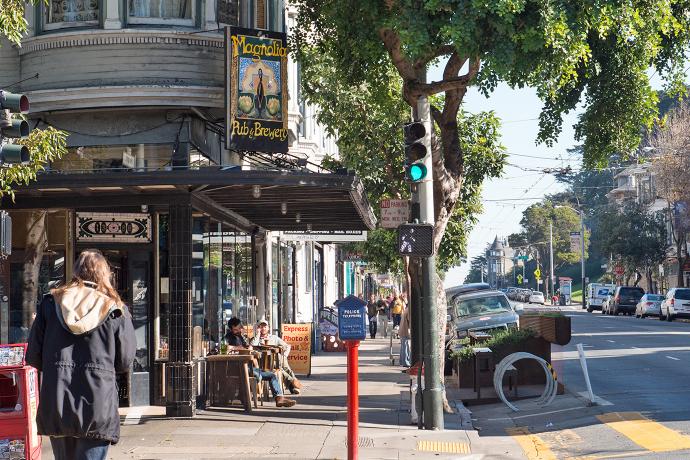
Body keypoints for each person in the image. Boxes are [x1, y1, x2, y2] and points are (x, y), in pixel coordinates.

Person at [26, 249, 136, 460]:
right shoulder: (114, 309)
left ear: (76, 272)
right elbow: (125, 361)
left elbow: (33, 356)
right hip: (98, 404)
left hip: (57, 402)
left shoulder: (51, 304)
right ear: (104, 274)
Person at [225, 317, 296, 407]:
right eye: (236, 329)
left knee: (272, 375)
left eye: (240, 328)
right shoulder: (229, 337)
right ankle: (280, 395)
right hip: (240, 368)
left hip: (248, 366)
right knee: (267, 373)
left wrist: (247, 348)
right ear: (231, 329)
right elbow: (226, 348)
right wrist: (242, 348)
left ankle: (279, 398)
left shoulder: (240, 337)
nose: (239, 330)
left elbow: (248, 347)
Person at [250, 318, 303, 394]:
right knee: (280, 369)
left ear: (268, 328)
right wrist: (258, 334)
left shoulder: (274, 338)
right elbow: (253, 346)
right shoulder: (256, 339)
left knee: (285, 367)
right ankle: (293, 384)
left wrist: (285, 355)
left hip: (276, 360)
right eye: (261, 327)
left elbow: (287, 346)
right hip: (263, 363)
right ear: (258, 328)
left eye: (265, 327)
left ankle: (293, 385)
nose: (263, 329)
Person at [399, 301, 411, 367]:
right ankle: (406, 362)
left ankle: (402, 361)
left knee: (403, 347)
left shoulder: (406, 309)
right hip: (405, 331)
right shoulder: (409, 310)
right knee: (405, 347)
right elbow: (410, 321)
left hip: (402, 330)